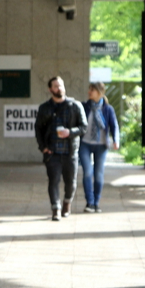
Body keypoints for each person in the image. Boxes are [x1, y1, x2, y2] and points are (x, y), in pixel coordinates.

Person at [34, 76, 88, 221]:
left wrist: (70, 132)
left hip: (70, 151)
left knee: (70, 183)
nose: (59, 89)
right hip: (52, 152)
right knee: (53, 181)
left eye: (61, 85)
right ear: (50, 89)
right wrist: (43, 147)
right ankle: (55, 209)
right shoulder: (45, 108)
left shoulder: (75, 105)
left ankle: (67, 203)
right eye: (56, 86)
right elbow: (38, 128)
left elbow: (84, 127)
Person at [80, 82, 119, 213]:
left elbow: (114, 125)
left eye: (92, 90)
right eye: (89, 89)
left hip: (101, 145)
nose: (89, 92)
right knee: (87, 172)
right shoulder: (84, 106)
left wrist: (116, 140)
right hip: (85, 144)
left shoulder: (108, 109)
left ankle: (96, 203)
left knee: (98, 174)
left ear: (100, 92)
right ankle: (89, 203)